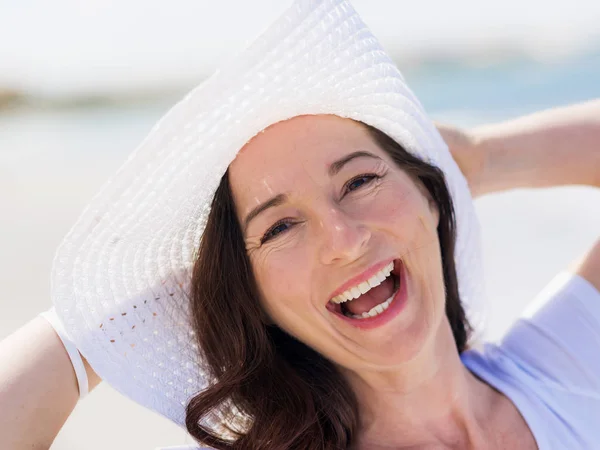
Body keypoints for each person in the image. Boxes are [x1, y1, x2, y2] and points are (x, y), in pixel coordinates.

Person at [0, 1, 598, 449]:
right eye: (280, 227)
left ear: (432, 196)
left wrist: (478, 157)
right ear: (254, 296)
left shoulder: (557, 371)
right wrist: (99, 331)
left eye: (361, 182)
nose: (344, 239)